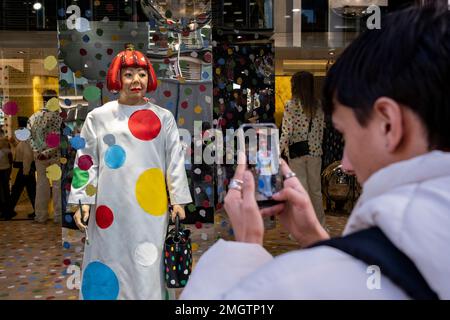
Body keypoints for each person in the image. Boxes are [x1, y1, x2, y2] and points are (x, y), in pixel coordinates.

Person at [180, 5, 450, 299]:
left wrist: (243, 246)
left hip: (297, 153)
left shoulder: (294, 284)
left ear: (388, 125)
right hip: (314, 152)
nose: (346, 165)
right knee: (312, 192)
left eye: (346, 134)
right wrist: (317, 239)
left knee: (305, 189)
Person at [68, 44, 192, 300]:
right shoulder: (98, 117)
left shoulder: (163, 117)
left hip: (150, 207)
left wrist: (178, 198)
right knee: (108, 258)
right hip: (108, 205)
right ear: (117, 78)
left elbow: (174, 160)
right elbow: (86, 161)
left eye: (142, 74)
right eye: (128, 74)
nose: (136, 80)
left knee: (148, 261)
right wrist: (82, 200)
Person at [279, 71, 325, 226]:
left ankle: (304, 225)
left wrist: (278, 151)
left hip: (296, 152)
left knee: (301, 191)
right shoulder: (317, 104)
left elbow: (286, 131)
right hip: (315, 152)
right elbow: (320, 130)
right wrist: (317, 147)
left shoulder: (290, 105)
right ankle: (320, 225)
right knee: (316, 191)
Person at [27, 89, 62, 223]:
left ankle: (41, 216)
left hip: (39, 158)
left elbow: (30, 138)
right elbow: (58, 139)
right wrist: (48, 152)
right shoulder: (57, 117)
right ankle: (58, 216)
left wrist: (38, 153)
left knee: (41, 185)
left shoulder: (33, 117)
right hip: (54, 156)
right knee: (57, 186)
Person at [10, 117, 36, 219]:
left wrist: (26, 171)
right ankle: (37, 211)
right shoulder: (26, 137)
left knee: (18, 190)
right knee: (30, 191)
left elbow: (26, 155)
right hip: (27, 168)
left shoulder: (26, 137)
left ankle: (9, 211)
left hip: (26, 169)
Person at [0, 131, 15, 220]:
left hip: (4, 169)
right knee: (4, 190)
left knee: (4, 191)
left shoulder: (4, 140)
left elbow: (10, 156)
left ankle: (6, 212)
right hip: (5, 168)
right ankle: (6, 211)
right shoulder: (4, 140)